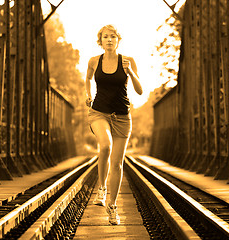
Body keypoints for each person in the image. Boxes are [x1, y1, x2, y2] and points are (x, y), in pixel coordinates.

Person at [85, 24, 142, 225]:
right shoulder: (93, 61)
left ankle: (112, 206)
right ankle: (101, 189)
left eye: (113, 37)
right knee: (106, 146)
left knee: (117, 164)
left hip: (122, 117)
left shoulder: (128, 61)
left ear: (118, 40)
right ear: (100, 41)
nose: (109, 40)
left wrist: (130, 72)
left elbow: (140, 90)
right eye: (105, 37)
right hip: (99, 113)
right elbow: (88, 79)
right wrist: (88, 95)